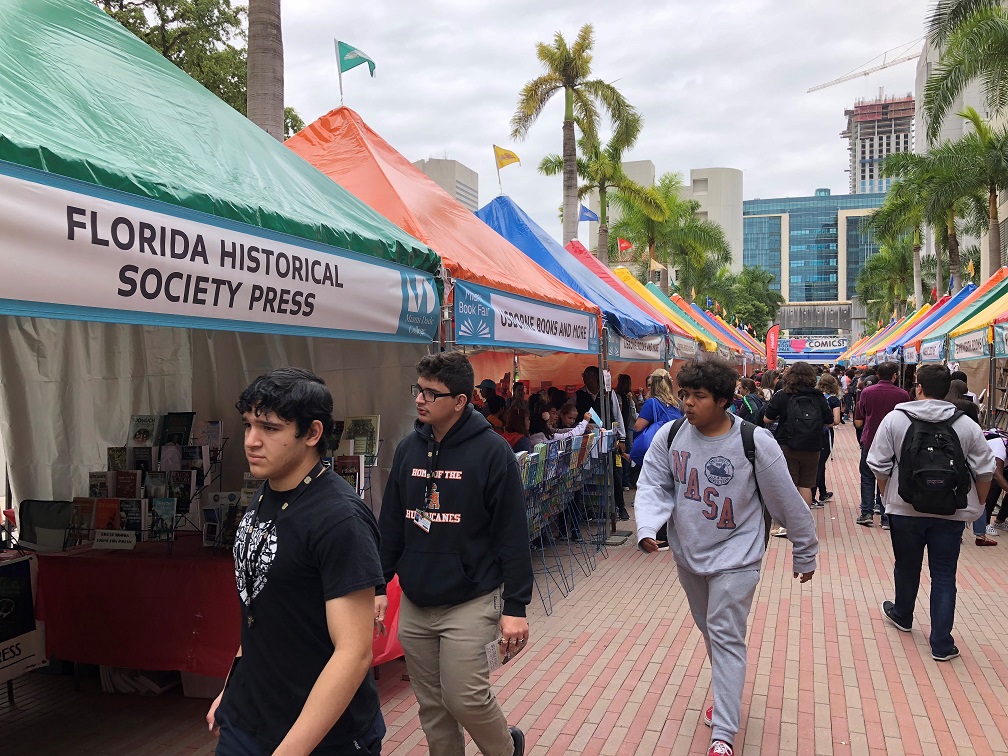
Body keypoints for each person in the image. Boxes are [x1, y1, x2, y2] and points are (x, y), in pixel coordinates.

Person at [634, 356, 818, 756]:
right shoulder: (670, 436)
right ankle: (725, 694)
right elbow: (652, 485)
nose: (687, 403)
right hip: (688, 556)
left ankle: (723, 733)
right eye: (684, 394)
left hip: (738, 557)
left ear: (723, 401)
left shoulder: (755, 442)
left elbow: (787, 502)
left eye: (698, 396)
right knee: (711, 633)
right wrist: (648, 526)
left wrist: (805, 552)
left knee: (725, 636)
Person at [207, 368, 385, 755]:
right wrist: (231, 688)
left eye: (270, 428)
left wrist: (291, 750)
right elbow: (259, 609)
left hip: (321, 737)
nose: (252, 441)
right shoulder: (267, 491)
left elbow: (353, 653)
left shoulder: (340, 520)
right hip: (248, 720)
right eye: (248, 424)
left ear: (312, 433)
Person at [376, 352, 532, 756]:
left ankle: (505, 749)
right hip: (416, 601)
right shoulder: (408, 450)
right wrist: (378, 584)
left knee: (465, 696)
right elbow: (392, 523)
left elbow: (513, 534)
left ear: (461, 401)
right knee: (432, 706)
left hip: (472, 598)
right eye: (419, 390)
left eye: (432, 393)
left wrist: (515, 605)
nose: (420, 400)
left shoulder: (493, 453)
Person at [868, 363, 995, 662]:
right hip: (951, 512)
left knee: (907, 565)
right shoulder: (965, 424)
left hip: (904, 508)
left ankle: (903, 614)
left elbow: (877, 463)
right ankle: (940, 643)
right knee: (943, 575)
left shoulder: (896, 419)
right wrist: (976, 505)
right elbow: (985, 468)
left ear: (918, 386)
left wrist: (888, 495)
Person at [761, 361, 833, 537]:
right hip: (813, 446)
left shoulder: (782, 395)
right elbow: (830, 421)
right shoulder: (818, 396)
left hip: (787, 445)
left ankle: (786, 525)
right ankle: (803, 523)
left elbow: (767, 419)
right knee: (806, 485)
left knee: (788, 486)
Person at [854, 362, 910, 529]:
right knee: (889, 477)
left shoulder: (867, 392)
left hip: (870, 438)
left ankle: (867, 512)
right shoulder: (903, 395)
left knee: (867, 475)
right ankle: (886, 515)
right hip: (894, 441)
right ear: (895, 376)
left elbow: (861, 415)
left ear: (878, 375)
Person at [576, 365, 629, 521]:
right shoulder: (579, 395)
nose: (584, 378)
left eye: (586, 375)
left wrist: (622, 438)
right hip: (587, 441)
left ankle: (621, 507)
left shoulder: (608, 393)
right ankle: (588, 509)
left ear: (594, 376)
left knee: (615, 473)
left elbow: (617, 416)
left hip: (608, 440)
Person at [813, 374, 842, 507]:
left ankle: (823, 492)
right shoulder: (834, 400)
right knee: (819, 465)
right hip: (825, 435)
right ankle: (813, 496)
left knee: (818, 463)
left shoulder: (815, 396)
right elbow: (836, 420)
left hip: (811, 433)